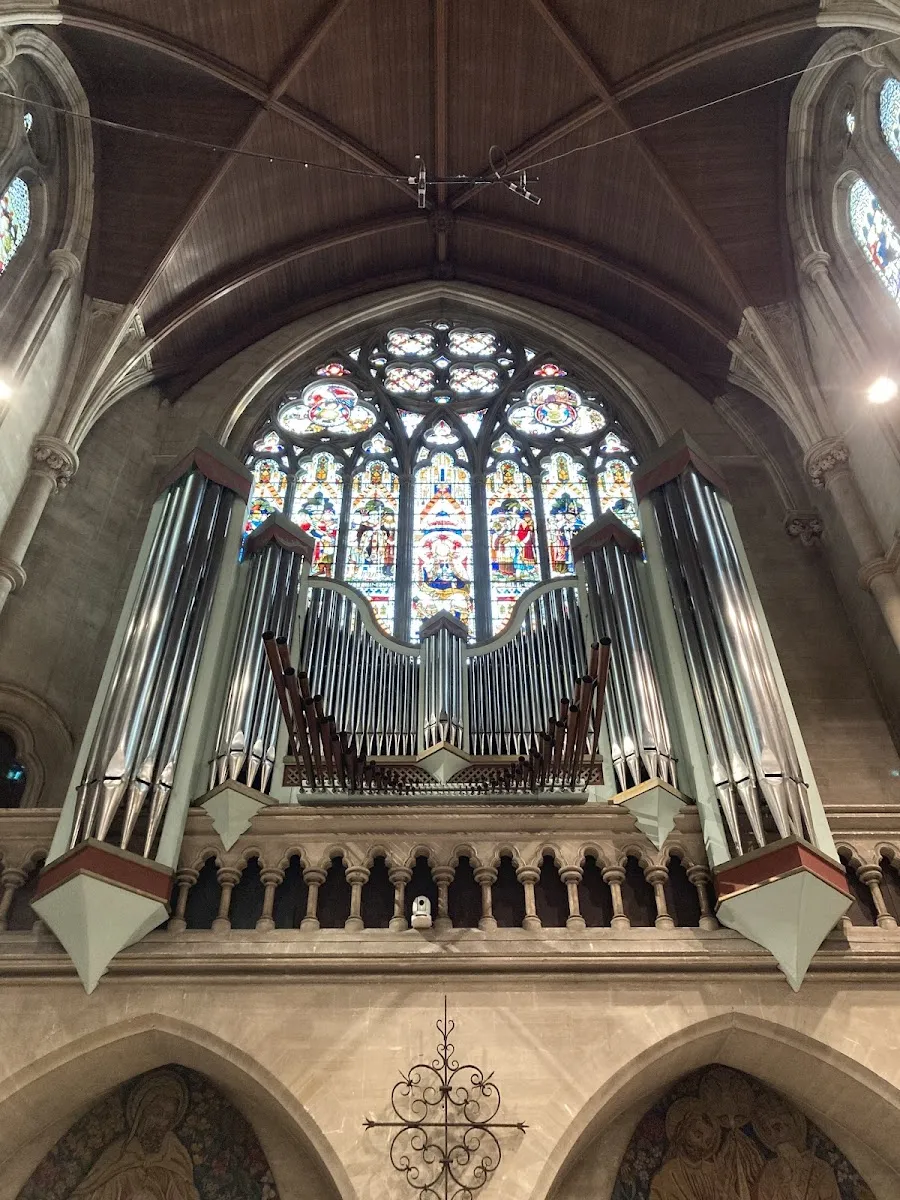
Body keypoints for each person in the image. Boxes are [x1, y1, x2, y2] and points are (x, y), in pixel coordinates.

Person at [68, 1070, 199, 1200]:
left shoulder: (176, 1156)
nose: (161, 1123)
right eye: (157, 1113)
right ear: (142, 1111)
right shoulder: (117, 1154)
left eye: (168, 1117)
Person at [753, 1096, 840, 1200]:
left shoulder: (820, 1169)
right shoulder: (769, 1172)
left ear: (794, 1123)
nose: (774, 1134)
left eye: (777, 1126)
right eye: (767, 1130)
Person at [649, 1097, 726, 1200]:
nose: (702, 1145)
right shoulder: (668, 1173)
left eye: (708, 1142)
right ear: (684, 1131)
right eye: (697, 1135)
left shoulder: (713, 1172)